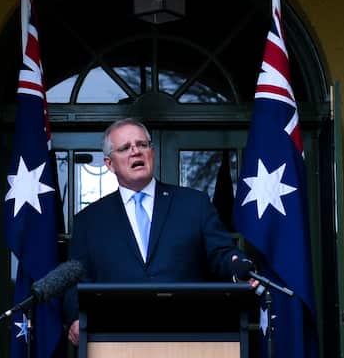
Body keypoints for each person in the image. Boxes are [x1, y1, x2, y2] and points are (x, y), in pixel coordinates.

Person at [64, 117, 246, 345]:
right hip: (117, 343)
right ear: (109, 164)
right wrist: (75, 317)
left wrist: (238, 268)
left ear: (152, 152)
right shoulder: (89, 220)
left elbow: (221, 254)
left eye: (142, 144)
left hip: (190, 339)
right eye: (125, 148)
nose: (135, 151)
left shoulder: (194, 204)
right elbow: (76, 280)